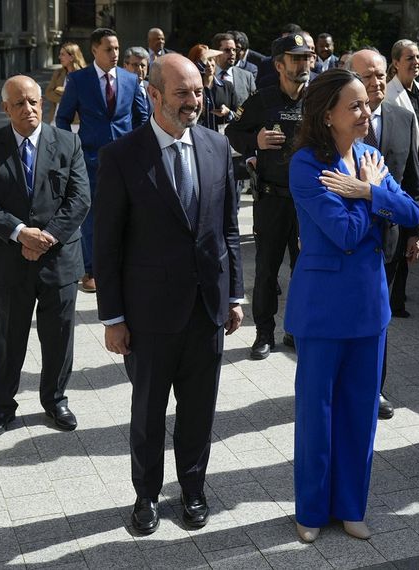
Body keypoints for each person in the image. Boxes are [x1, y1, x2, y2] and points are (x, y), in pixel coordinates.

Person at [94, 53, 244, 535]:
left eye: (199, 91)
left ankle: (194, 491)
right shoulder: (121, 156)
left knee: (199, 412)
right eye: (182, 93)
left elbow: (229, 231)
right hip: (150, 316)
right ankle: (146, 496)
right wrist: (113, 317)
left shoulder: (218, 146)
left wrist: (235, 295)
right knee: (149, 415)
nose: (194, 102)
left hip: (207, 310)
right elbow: (107, 243)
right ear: (153, 95)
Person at [287, 67, 419, 543]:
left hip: (368, 307)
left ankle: (350, 507)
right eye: (356, 105)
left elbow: (413, 212)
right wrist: (373, 198)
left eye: (367, 103)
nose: (367, 112)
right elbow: (342, 233)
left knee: (360, 412)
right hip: (322, 309)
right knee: (317, 413)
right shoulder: (306, 163)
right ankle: (310, 510)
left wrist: (367, 190)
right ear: (328, 115)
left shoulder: (369, 157)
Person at [0, 75, 91, 439]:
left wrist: (46, 237)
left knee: (58, 335)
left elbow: (79, 198)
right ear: (5, 107)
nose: (29, 110)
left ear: (44, 104)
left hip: (59, 259)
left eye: (34, 102)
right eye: (20, 104)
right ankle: (3, 407)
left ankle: (55, 401)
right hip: (9, 259)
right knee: (8, 337)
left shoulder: (68, 142)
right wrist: (20, 233)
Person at [347, 49, 419, 420]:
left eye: (380, 75)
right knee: (351, 314)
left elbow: (410, 178)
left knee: (380, 318)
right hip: (346, 240)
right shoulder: (336, 126)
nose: (376, 83)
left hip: (388, 240)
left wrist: (416, 232)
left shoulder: (403, 117)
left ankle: (375, 389)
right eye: (366, 76)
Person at [226, 34, 310, 360]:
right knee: (266, 270)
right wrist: (256, 141)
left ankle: (296, 330)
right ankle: (264, 333)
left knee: (304, 270)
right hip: (272, 198)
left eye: (306, 58)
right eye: (296, 58)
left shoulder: (317, 99)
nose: (303, 64)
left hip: (308, 203)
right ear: (279, 65)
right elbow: (234, 132)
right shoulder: (262, 99)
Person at [56, 27, 149, 294]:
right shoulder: (79, 80)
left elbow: (141, 117)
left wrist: (137, 146)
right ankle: (90, 270)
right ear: (94, 50)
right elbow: (63, 118)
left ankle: (124, 265)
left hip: (125, 160)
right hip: (89, 159)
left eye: (117, 48)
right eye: (109, 49)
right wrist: (71, 150)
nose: (115, 54)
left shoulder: (130, 80)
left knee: (127, 212)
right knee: (91, 217)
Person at [385, 39, 419, 317]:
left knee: (412, 233)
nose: (415, 62)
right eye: (409, 57)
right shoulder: (388, 93)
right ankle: (389, 295)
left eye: (418, 57)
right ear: (395, 62)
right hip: (396, 173)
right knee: (396, 235)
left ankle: (399, 298)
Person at [186, 44, 232, 131]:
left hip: (221, 137)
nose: (208, 64)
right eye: (204, 60)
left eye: (210, 59)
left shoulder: (227, 86)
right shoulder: (191, 88)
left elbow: (239, 114)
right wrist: (206, 56)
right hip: (198, 136)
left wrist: (228, 113)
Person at [44, 42, 85, 129]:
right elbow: (48, 93)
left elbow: (83, 98)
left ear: (72, 57)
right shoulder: (58, 73)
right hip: (56, 120)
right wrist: (69, 99)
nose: (59, 57)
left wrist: (59, 90)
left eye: (62, 54)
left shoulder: (84, 75)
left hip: (76, 123)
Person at [212, 32, 256, 109]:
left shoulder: (247, 77)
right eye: (227, 50)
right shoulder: (207, 75)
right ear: (216, 52)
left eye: (234, 50)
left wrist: (233, 115)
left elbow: (254, 105)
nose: (232, 53)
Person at [256, 23, 302, 89]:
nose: (286, 44)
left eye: (290, 41)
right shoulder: (266, 63)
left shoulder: (310, 65)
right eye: (284, 40)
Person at [123, 46, 151, 112]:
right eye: (135, 65)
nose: (139, 69)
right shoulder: (119, 88)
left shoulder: (150, 87)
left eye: (143, 65)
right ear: (125, 66)